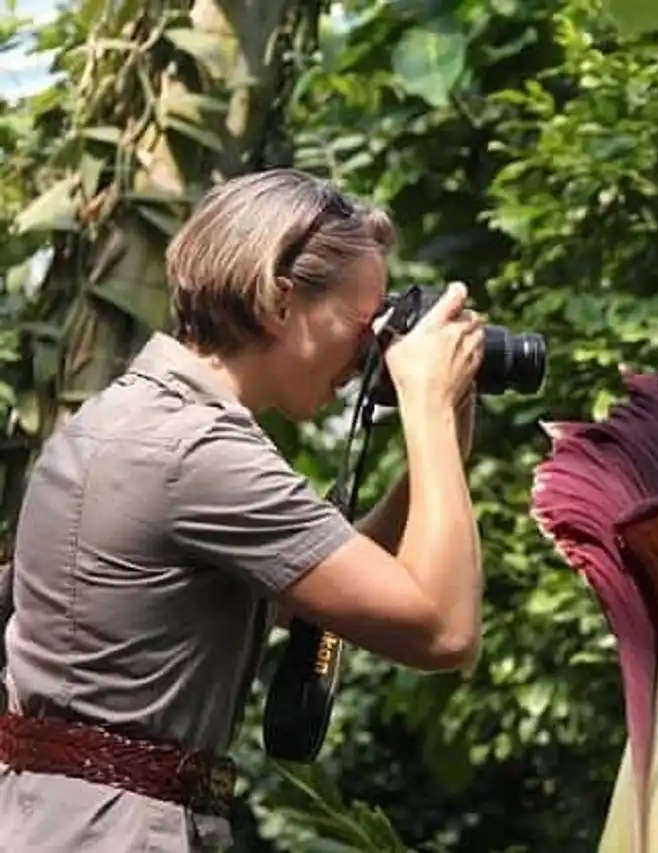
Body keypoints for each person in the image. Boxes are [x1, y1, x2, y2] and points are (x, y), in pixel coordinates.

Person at [0, 168, 487, 852]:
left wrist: (439, 446)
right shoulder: (199, 454)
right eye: (362, 321)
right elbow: (444, 630)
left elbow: (322, 593)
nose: (368, 353)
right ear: (280, 301)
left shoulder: (138, 418)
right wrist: (428, 413)